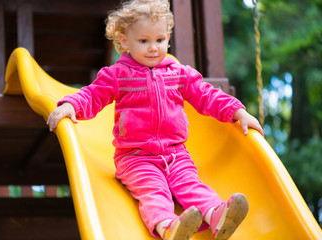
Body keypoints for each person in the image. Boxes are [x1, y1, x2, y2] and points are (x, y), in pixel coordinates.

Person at [47, 0, 264, 239]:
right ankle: (168, 227)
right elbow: (93, 94)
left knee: (191, 184)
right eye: (144, 41)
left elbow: (206, 94)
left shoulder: (178, 74)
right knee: (154, 191)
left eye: (159, 40)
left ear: (168, 37)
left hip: (176, 153)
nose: (153, 48)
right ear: (124, 42)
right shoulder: (118, 75)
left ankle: (216, 216)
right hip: (136, 158)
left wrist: (237, 111)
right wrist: (70, 105)